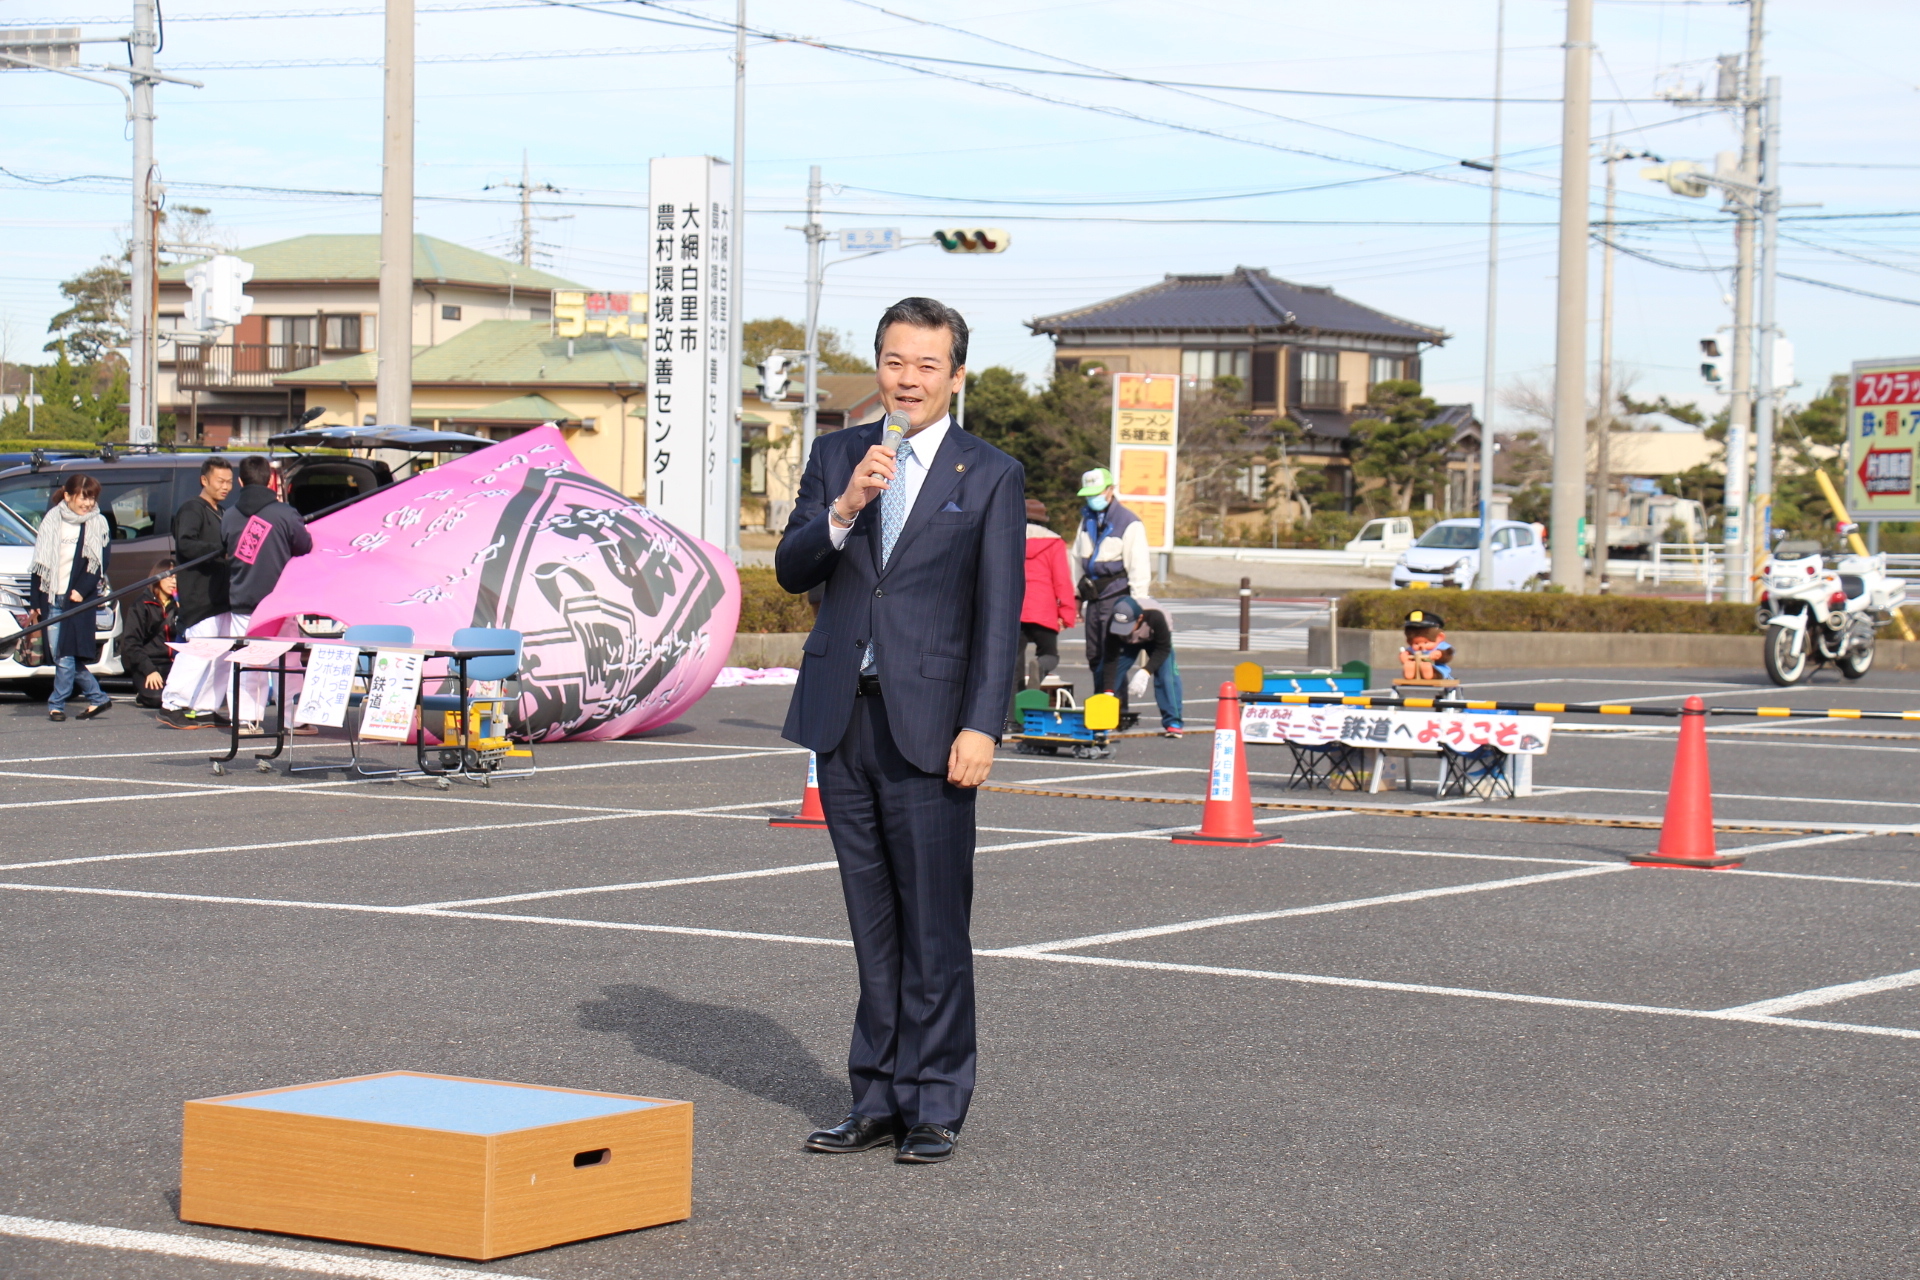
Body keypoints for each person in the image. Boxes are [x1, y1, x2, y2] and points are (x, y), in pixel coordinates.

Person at [776, 296, 1023, 1165]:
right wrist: (842, 507)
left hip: (935, 729)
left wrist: (982, 725)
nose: (907, 379)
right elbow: (793, 564)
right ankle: (873, 1097)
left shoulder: (988, 473)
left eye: (925, 366)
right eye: (893, 361)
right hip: (846, 719)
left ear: (957, 375)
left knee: (935, 926)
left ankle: (936, 1101)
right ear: (877, 366)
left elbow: (998, 615)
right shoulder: (841, 454)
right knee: (870, 922)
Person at [221, 455, 313, 731]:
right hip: (279, 602)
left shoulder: (229, 515)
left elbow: (225, 546)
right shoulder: (284, 513)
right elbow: (304, 545)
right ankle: (293, 720)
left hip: (242, 600)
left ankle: (245, 718)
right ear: (270, 480)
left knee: (248, 660)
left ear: (240, 481)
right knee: (288, 662)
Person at [26, 474, 113, 722]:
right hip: (51, 595)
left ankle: (57, 703)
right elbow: (38, 565)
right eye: (83, 497)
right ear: (67, 496)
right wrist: (35, 602)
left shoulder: (97, 524)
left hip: (78, 599)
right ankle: (97, 698)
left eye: (92, 498)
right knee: (60, 653)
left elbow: (100, 563)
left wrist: (82, 589)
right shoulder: (51, 520)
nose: (87, 503)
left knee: (66, 654)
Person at [159, 456, 234, 729]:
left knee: (221, 655)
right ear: (204, 480)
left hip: (222, 596)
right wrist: (220, 551)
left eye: (228, 482)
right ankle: (172, 703)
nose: (225, 487)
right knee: (198, 651)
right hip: (199, 595)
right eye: (220, 481)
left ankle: (205, 707)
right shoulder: (192, 508)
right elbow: (186, 544)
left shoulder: (223, 512)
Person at [1069, 466, 1151, 701]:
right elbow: (1076, 559)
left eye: (1096, 492)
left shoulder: (1129, 522)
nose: (1092, 498)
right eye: (1089, 494)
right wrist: (1076, 596)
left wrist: (1139, 604)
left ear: (1110, 490)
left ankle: (1115, 707)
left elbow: (1139, 566)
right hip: (1093, 596)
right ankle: (1100, 703)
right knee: (1094, 654)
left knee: (1112, 653)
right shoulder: (1086, 520)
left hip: (1118, 595)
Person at [1014, 498, 1076, 721]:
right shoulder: (1054, 543)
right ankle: (1039, 667)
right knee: (1050, 654)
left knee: (1013, 666)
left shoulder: (1009, 537)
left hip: (1015, 609)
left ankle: (1012, 719)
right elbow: (1062, 581)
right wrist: (1067, 614)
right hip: (1043, 609)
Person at [1107, 593, 1184, 738]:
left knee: (1167, 676)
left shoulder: (1156, 617)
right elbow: (1110, 660)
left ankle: (1173, 721)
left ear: (1140, 618)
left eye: (1129, 625)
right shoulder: (1113, 622)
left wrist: (1145, 672)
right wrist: (1108, 691)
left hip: (1155, 641)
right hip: (1128, 643)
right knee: (1109, 674)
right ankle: (1105, 718)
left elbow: (1163, 649)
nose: (1125, 629)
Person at [120, 558, 179, 710]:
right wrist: (149, 670)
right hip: (151, 663)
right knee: (157, 699)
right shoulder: (142, 605)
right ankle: (142, 693)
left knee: (179, 699)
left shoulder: (180, 605)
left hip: (175, 664)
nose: (174, 581)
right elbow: (131, 643)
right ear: (158, 577)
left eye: (177, 577)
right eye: (169, 576)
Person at [1399, 608, 1455, 680]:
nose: (1421, 646)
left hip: (1436, 668)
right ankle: (1410, 673)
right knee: (1411, 665)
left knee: (1428, 667)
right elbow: (1407, 653)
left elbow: (1448, 653)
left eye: (1426, 642)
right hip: (1417, 669)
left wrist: (1440, 654)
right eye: (1416, 643)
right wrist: (1404, 656)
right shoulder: (1412, 649)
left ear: (1439, 638)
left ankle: (1430, 674)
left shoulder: (1440, 646)